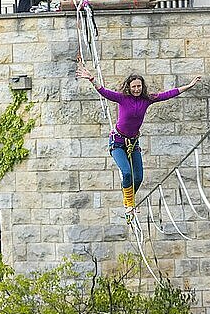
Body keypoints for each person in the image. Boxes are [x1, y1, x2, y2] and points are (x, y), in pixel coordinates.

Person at [76, 63, 201, 220]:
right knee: (127, 172)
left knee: (139, 177)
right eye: (134, 86)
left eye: (139, 86)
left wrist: (189, 85)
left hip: (133, 144)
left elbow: (169, 94)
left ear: (142, 87)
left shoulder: (147, 100)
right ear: (129, 87)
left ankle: (128, 199)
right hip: (118, 143)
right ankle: (129, 204)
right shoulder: (122, 98)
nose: (136, 89)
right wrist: (92, 79)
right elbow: (104, 91)